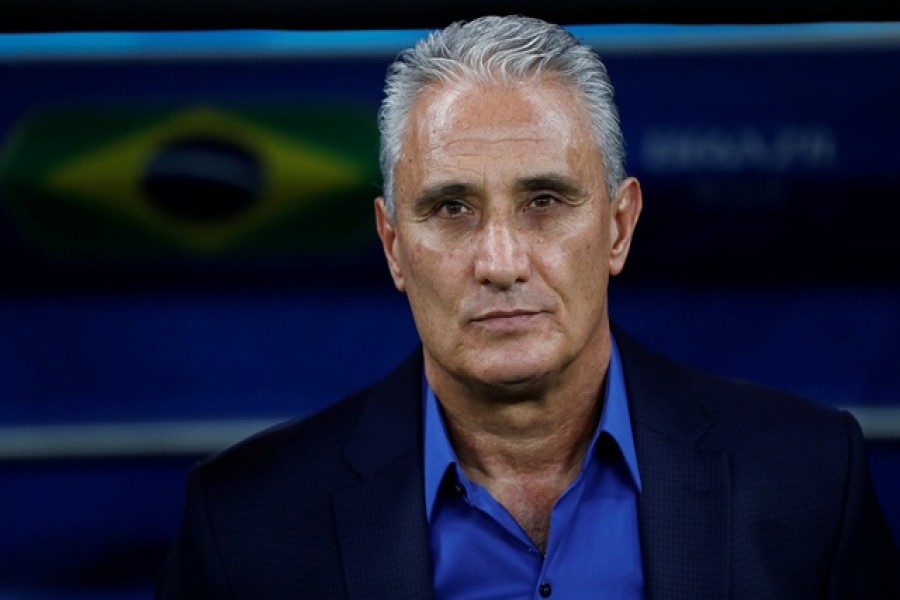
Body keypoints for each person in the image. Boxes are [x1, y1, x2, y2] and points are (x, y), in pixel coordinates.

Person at [157, 15, 899, 599]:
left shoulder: (808, 481)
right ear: (392, 245)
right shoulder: (245, 523)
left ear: (618, 225)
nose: (501, 263)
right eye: (450, 208)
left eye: (544, 201)